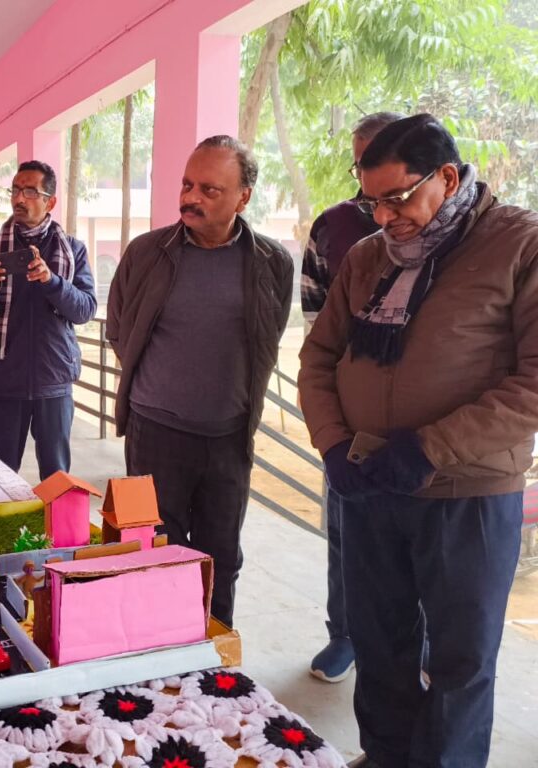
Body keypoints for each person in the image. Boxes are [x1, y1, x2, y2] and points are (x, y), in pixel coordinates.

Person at [298, 114, 538, 768]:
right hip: (369, 483)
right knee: (380, 645)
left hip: (467, 494)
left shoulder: (519, 245)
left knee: (461, 661)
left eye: (397, 198)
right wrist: (332, 444)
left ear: (448, 178)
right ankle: (385, 756)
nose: (384, 217)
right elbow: (318, 359)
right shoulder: (368, 258)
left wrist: (430, 448)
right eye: (371, 201)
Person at [107, 136, 293, 627]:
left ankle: (213, 649)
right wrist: (166, 386)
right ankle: (160, 646)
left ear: (243, 198)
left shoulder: (272, 262)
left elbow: (267, 339)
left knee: (221, 558)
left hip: (229, 438)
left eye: (209, 190)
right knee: (155, 552)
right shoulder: (147, 253)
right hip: (154, 434)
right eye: (187, 185)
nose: (191, 197)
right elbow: (120, 330)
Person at [302, 111, 404, 684]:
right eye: (360, 163)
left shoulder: (452, 235)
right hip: (348, 416)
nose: (368, 178)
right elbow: (316, 324)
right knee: (344, 530)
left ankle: (416, 645)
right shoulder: (334, 227)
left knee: (413, 540)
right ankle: (344, 635)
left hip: (419, 422)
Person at [0, 160, 97, 479]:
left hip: (54, 380)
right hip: (4, 380)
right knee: (2, 472)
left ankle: (54, 516)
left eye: (31, 191)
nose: (19, 198)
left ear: (51, 201)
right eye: (16, 190)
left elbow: (85, 310)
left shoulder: (72, 250)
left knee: (57, 475)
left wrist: (52, 282)